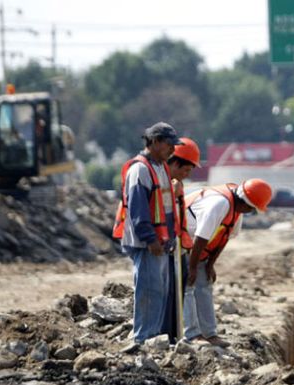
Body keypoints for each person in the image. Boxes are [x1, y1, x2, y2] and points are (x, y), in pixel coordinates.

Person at [112, 122, 185, 344]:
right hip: (147, 243)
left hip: (160, 242)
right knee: (149, 291)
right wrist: (150, 238)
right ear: (154, 142)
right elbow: (138, 209)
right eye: (169, 145)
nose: (173, 150)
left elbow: (164, 206)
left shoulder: (160, 167)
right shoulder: (140, 170)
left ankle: (152, 338)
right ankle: (143, 338)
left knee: (159, 291)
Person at [180, 179, 273, 347]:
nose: (251, 211)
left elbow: (224, 238)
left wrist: (210, 264)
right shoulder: (220, 204)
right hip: (183, 243)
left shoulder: (236, 211)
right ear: (246, 202)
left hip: (199, 250)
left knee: (205, 284)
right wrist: (192, 268)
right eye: (252, 208)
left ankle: (210, 334)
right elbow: (201, 237)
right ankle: (192, 335)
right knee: (188, 287)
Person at [160, 137, 201, 343]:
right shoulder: (161, 182)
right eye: (185, 170)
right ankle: (166, 335)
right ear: (175, 163)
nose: (187, 175)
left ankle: (175, 334)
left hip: (178, 246)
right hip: (164, 247)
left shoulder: (175, 184)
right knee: (167, 293)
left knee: (179, 288)